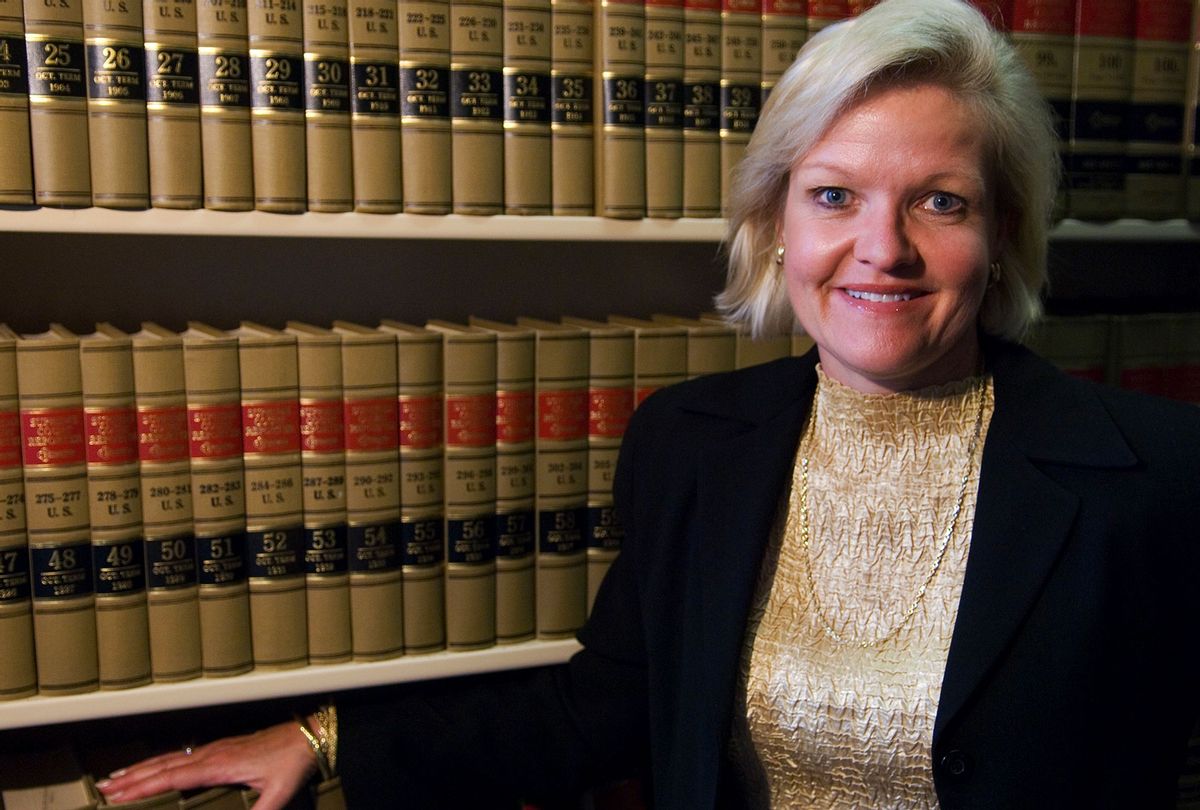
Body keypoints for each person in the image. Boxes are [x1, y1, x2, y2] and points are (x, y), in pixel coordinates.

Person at [98, 0, 1200, 806]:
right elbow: (610, 707)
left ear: (1001, 235)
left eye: (940, 202)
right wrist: (327, 739)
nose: (883, 249)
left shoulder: (1158, 477)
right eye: (834, 195)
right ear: (776, 224)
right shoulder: (693, 444)